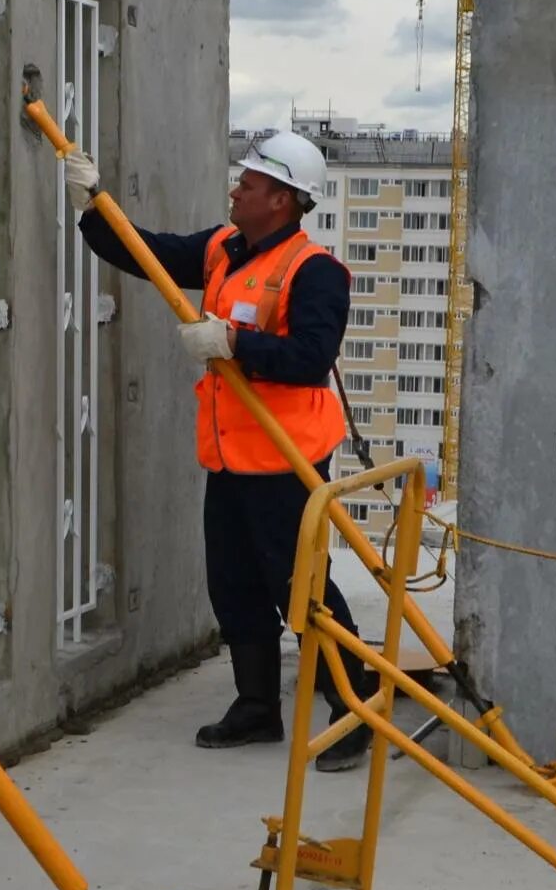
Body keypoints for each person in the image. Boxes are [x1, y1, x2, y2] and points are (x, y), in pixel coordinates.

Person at [62, 128, 379, 772]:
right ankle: (257, 705)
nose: (237, 189)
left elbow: (311, 358)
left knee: (305, 594)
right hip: (230, 458)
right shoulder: (221, 249)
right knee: (233, 588)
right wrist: (93, 204)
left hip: (288, 465)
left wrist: (235, 344)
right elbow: (147, 254)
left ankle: (357, 709)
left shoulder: (314, 272)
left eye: (251, 184)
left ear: (284, 201)